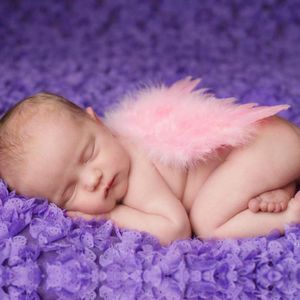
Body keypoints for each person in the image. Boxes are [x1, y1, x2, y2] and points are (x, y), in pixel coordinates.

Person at [1, 87, 300, 245]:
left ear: (97, 122)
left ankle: (291, 212)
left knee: (208, 222)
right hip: (267, 152)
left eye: (89, 153)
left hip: (266, 146)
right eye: (68, 191)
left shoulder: (136, 165)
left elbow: (176, 229)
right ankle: (283, 184)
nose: (92, 178)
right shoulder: (114, 157)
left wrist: (112, 214)